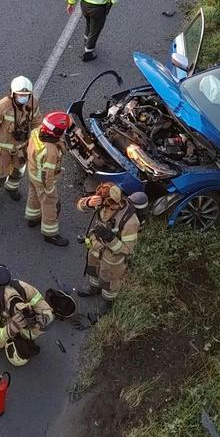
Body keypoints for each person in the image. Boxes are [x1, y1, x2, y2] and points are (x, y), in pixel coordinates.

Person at [76, 186, 146, 314]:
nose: (112, 208)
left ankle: (108, 303)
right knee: (93, 269)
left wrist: (110, 239)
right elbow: (80, 206)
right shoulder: (101, 203)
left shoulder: (130, 222)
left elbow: (128, 249)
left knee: (109, 281)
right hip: (96, 247)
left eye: (115, 205)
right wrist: (88, 202)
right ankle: (93, 288)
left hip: (112, 258)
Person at [0, 264, 55, 367]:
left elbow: (39, 301)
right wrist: (11, 329)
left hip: (7, 319)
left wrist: (45, 318)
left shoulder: (21, 287)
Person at [0, 76, 41, 209]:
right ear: (13, 93)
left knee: (19, 171)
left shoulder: (33, 103)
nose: (24, 98)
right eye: (20, 95)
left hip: (21, 147)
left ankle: (11, 188)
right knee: (0, 174)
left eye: (26, 95)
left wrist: (37, 143)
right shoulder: (3, 105)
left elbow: (37, 122)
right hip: (3, 149)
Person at [25, 111, 70, 247]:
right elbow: (47, 175)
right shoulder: (50, 151)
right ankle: (50, 234)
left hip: (32, 171)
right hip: (42, 180)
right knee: (50, 204)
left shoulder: (36, 131)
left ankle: (32, 218)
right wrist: (49, 191)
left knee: (33, 195)